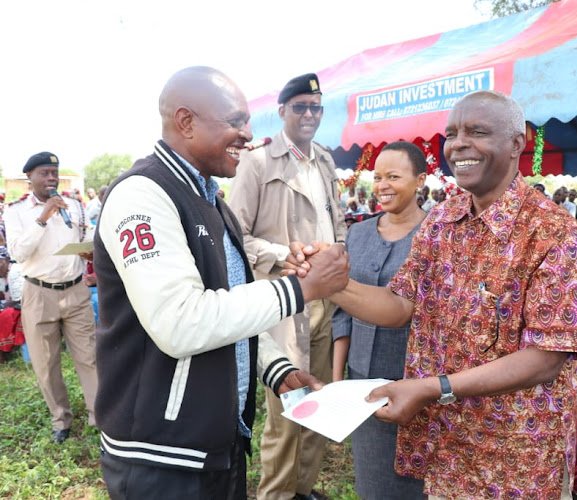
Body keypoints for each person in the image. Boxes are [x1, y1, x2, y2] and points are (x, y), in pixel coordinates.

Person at [292, 91, 577, 498]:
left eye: (477, 131)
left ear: (517, 143)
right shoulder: (444, 218)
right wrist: (334, 282)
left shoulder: (554, 231)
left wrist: (433, 388)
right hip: (447, 449)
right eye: (451, 134)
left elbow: (545, 359)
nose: (458, 144)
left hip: (515, 461)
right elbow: (400, 305)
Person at [94, 66, 349, 500]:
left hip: (216, 443)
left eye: (246, 122)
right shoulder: (143, 195)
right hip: (162, 455)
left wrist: (274, 367)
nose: (247, 134)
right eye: (234, 122)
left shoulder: (211, 199)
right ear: (186, 121)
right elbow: (181, 322)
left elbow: (226, 305)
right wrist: (300, 290)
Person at [227, 72, 347, 500]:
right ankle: (275, 494)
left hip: (325, 301)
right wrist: (282, 254)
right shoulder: (257, 162)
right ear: (282, 112)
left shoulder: (326, 160)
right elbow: (234, 235)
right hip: (281, 302)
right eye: (300, 107)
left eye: (316, 107)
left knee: (318, 400)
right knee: (285, 413)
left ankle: (303, 489)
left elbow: (336, 224)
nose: (310, 114)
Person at [331, 141, 427, 500]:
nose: (382, 185)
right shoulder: (358, 233)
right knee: (373, 484)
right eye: (378, 177)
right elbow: (343, 313)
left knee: (420, 487)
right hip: (362, 387)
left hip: (419, 387)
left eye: (394, 176)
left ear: (420, 181)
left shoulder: (438, 234)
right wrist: (338, 380)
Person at [5, 152, 98, 444]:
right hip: (38, 293)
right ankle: (61, 418)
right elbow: (18, 253)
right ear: (29, 178)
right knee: (46, 363)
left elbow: (88, 235)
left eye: (54, 173)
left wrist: (89, 249)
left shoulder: (74, 206)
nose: (51, 179)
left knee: (90, 357)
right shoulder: (16, 211)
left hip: (75, 290)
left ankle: (100, 415)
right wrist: (43, 218)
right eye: (44, 173)